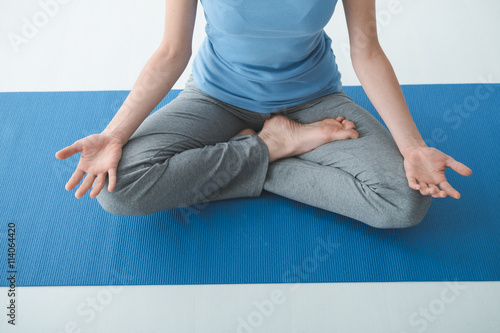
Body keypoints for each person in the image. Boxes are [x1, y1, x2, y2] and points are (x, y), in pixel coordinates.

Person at [55, 0, 472, 228]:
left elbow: (366, 50)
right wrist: (114, 134)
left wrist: (412, 148)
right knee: (117, 189)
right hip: (215, 99)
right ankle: (273, 146)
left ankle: (261, 150)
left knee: (403, 204)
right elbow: (170, 51)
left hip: (314, 100)